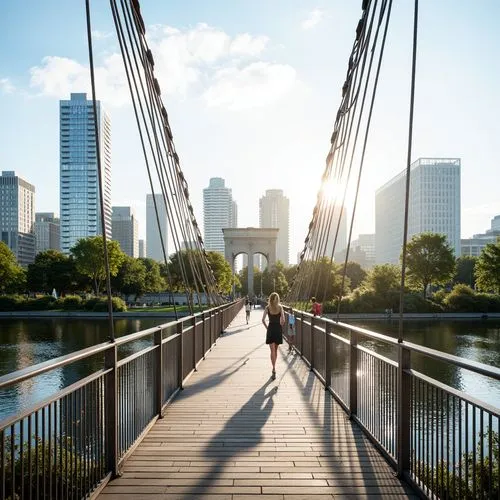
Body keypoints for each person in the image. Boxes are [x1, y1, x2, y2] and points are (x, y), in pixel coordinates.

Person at [262, 292, 285, 380]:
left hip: (270, 328)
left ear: (270, 299)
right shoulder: (280, 307)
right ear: (277, 299)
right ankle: (274, 368)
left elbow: (263, 320)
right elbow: (283, 320)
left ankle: (274, 369)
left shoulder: (267, 308)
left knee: (272, 350)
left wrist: (267, 328)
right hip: (278, 329)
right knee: (275, 350)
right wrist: (280, 326)